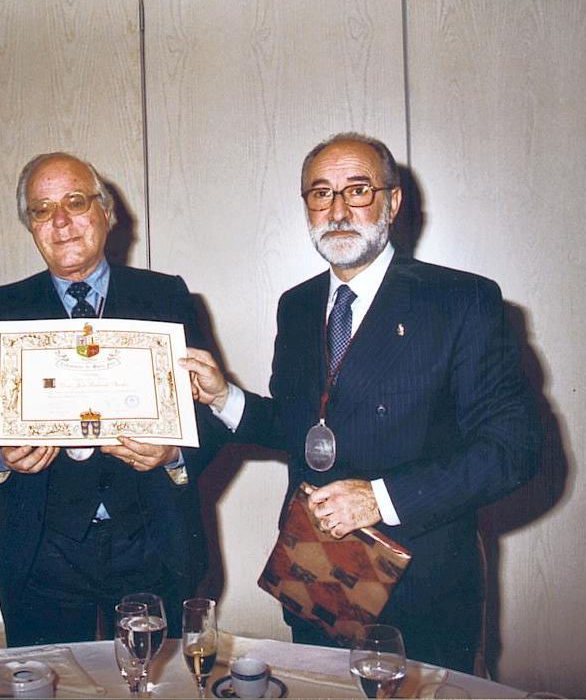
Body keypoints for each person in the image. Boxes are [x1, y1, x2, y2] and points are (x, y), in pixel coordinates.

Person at [181, 132, 541, 673]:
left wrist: (381, 498)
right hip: (315, 580)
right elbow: (303, 427)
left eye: (357, 190)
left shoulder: (461, 300)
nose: (337, 210)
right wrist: (224, 396)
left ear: (392, 203)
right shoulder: (298, 305)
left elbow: (514, 449)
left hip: (421, 592)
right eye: (320, 193)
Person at [0, 152, 225, 646]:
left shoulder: (165, 297)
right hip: (43, 552)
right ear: (31, 226)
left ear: (106, 212)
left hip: (151, 542)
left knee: (156, 680)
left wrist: (173, 452)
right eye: (42, 209)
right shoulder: (0, 306)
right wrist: (1, 456)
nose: (60, 221)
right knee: (46, 679)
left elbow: (211, 412)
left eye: (75, 202)